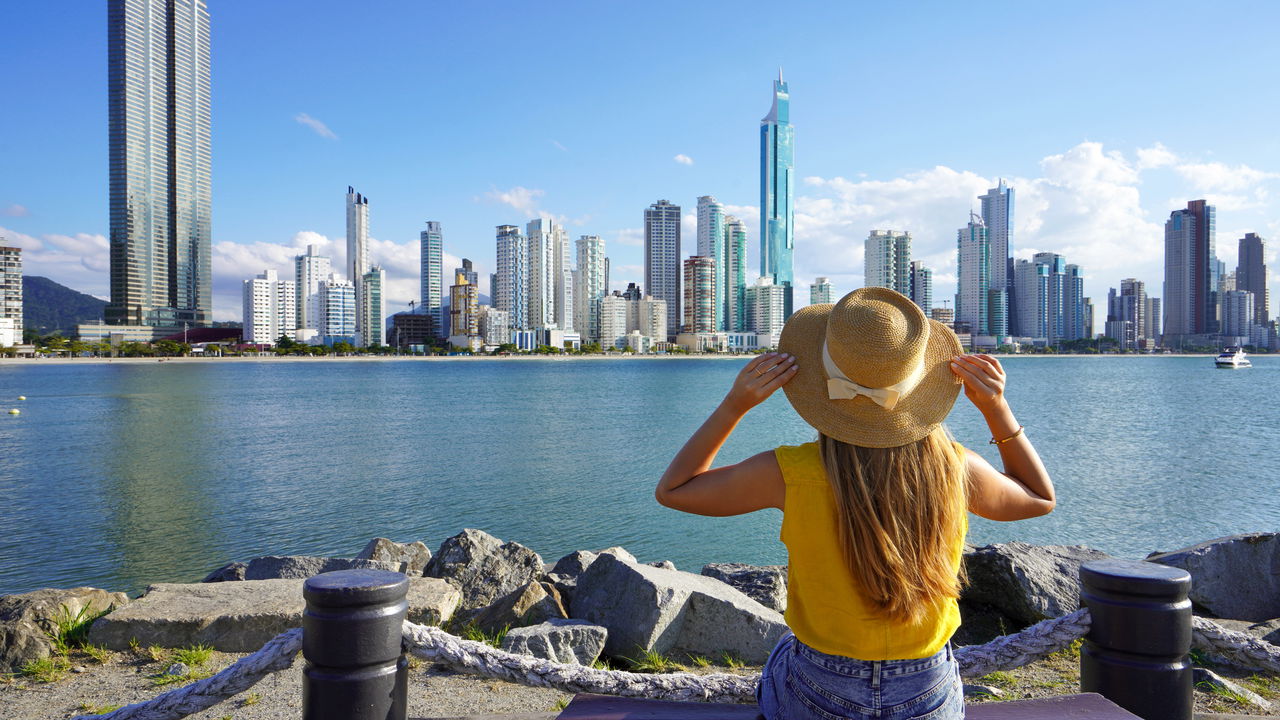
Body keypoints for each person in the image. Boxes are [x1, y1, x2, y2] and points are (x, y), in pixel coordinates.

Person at [655, 287, 1055, 720]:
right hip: (927, 688)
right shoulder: (955, 469)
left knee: (786, 651)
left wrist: (735, 405)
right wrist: (996, 408)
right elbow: (1038, 498)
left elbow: (675, 490)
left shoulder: (790, 472)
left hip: (819, 686)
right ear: (921, 380)